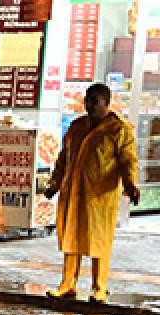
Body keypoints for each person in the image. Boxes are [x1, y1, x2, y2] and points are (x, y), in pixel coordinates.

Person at [44, 83, 141, 303]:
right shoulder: (77, 127)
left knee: (99, 242)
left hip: (100, 197)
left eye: (95, 101)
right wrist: (54, 183)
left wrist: (131, 185)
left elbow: (128, 162)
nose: (89, 105)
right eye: (87, 100)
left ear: (106, 103)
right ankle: (67, 284)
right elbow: (63, 159)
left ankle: (100, 288)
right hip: (73, 193)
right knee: (71, 239)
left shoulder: (119, 129)